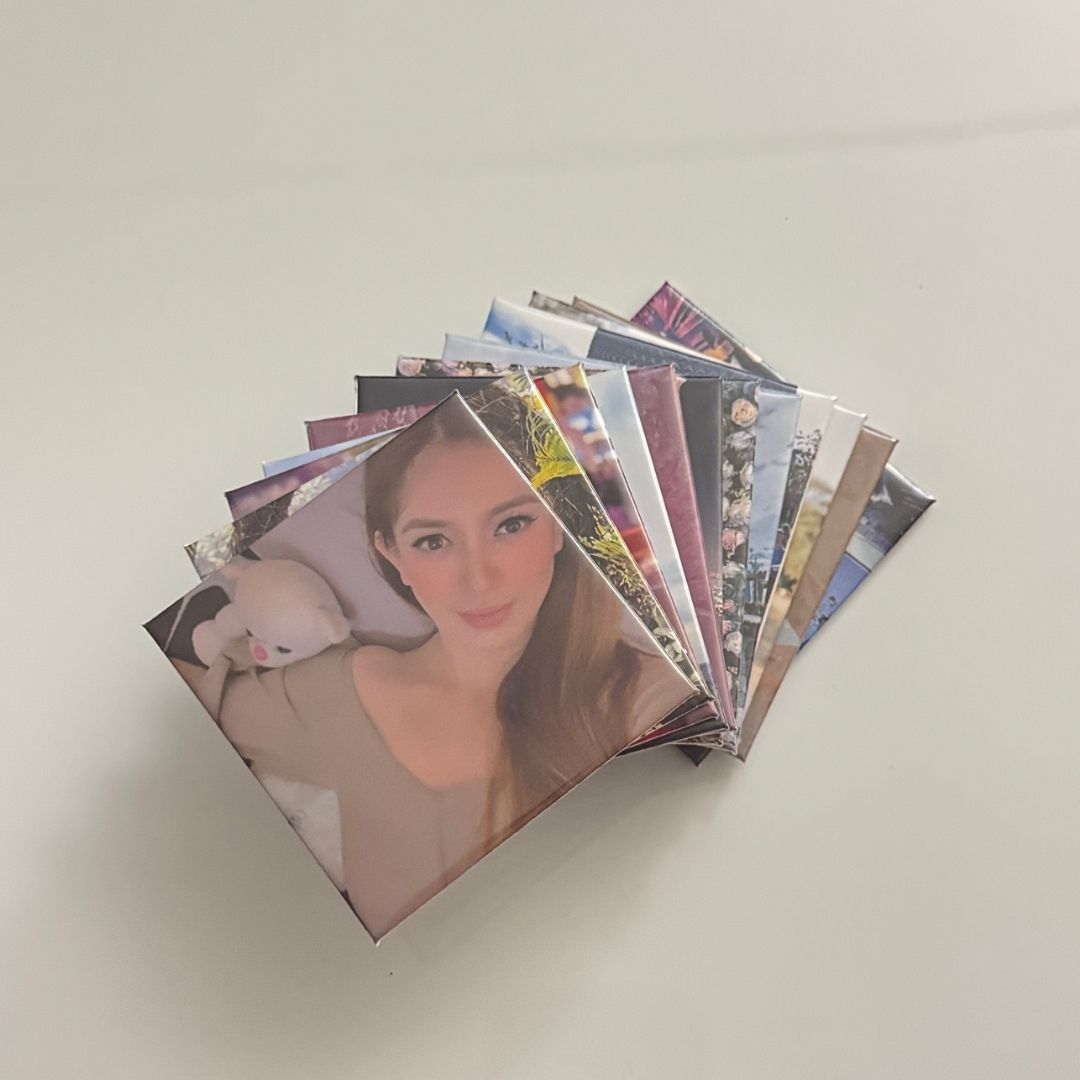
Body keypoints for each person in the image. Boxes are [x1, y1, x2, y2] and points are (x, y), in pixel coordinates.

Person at [167, 400, 692, 939]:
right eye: (434, 542)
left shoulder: (645, 692)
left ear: (559, 527)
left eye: (511, 525)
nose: (478, 580)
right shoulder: (340, 696)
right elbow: (184, 702)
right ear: (392, 555)